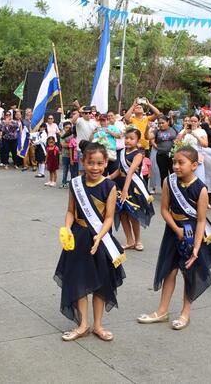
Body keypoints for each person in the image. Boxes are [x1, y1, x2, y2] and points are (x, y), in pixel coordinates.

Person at [137, 145, 211, 329]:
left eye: (181, 163)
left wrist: (197, 246)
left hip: (192, 234)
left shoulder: (200, 189)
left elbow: (200, 220)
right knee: (169, 270)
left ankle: (185, 313)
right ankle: (162, 311)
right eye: (174, 162)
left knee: (189, 273)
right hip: (173, 230)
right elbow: (164, 209)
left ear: (193, 165)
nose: (176, 166)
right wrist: (176, 229)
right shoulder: (169, 181)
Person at [54, 142, 126, 342]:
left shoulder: (109, 186)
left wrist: (100, 236)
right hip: (78, 236)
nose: (95, 167)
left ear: (105, 164)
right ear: (83, 162)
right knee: (79, 280)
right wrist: (67, 228)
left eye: (100, 163)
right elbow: (70, 211)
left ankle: (98, 325)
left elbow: (110, 217)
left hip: (100, 238)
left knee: (100, 283)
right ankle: (83, 324)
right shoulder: (76, 183)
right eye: (91, 163)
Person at [111, 128, 155, 251]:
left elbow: (130, 172)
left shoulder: (138, 154)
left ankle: (138, 241)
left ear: (137, 140)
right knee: (122, 214)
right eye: (127, 138)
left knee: (133, 214)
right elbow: (120, 170)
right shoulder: (122, 152)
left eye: (132, 138)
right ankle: (129, 240)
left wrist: (125, 190)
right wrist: (107, 178)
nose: (128, 141)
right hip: (121, 183)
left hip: (133, 187)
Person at [152, 116, 178, 180]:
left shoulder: (173, 129)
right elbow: (150, 139)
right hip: (161, 156)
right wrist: (157, 147)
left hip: (172, 156)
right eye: (159, 123)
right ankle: (165, 189)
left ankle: (173, 189)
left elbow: (178, 138)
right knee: (163, 175)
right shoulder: (157, 131)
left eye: (163, 123)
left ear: (168, 122)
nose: (161, 125)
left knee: (174, 174)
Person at [59, 121, 78, 188]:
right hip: (65, 155)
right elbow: (63, 144)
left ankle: (71, 182)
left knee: (73, 170)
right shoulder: (62, 136)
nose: (68, 129)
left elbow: (76, 144)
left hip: (73, 156)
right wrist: (71, 145)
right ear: (63, 128)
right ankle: (63, 182)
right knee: (65, 169)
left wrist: (72, 145)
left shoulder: (74, 135)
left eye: (69, 127)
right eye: (66, 127)